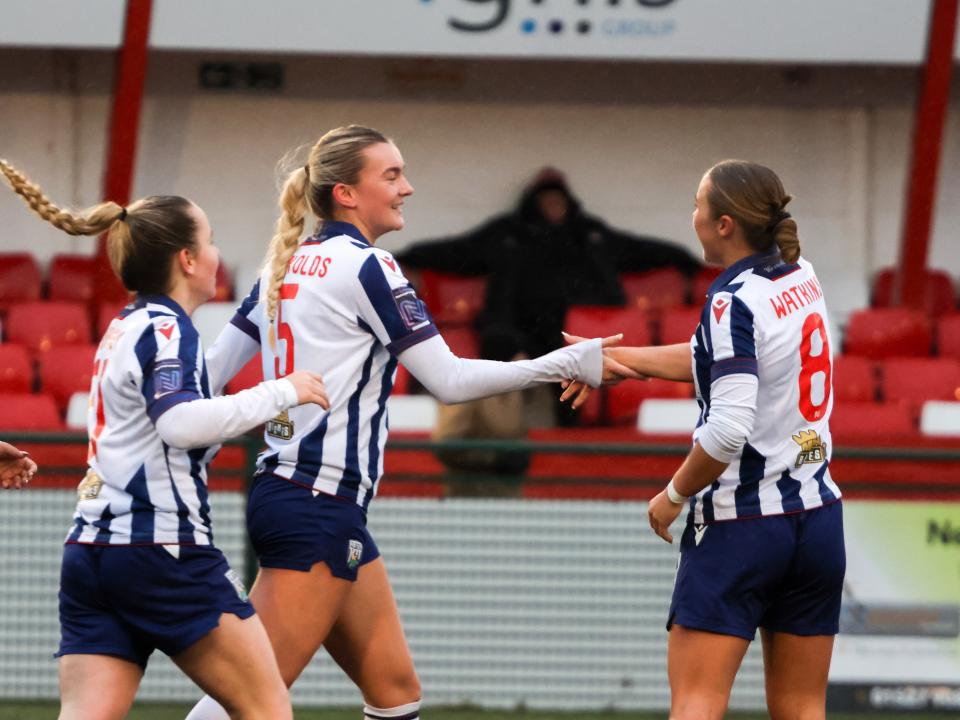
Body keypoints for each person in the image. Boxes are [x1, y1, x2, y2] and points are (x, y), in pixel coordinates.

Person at [188, 125, 633, 720]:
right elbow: (448, 381)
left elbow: (208, 375)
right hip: (317, 502)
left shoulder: (282, 265)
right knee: (249, 700)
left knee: (396, 694)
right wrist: (564, 363)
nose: (408, 188)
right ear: (346, 193)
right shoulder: (370, 268)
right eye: (392, 176)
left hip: (305, 499)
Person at [0, 159, 332, 720]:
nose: (216, 253)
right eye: (211, 240)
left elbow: (184, 411)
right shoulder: (167, 329)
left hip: (90, 555)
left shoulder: (127, 325)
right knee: (267, 710)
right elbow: (180, 424)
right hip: (162, 554)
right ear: (187, 259)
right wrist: (283, 391)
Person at [562, 160, 844, 720]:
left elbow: (728, 429)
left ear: (723, 225)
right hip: (817, 520)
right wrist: (616, 359)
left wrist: (672, 495)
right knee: (803, 708)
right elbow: (722, 362)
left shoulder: (730, 299)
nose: (690, 214)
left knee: (697, 703)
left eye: (697, 204)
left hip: (742, 526)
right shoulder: (799, 274)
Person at [397, 166, 702, 361]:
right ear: (533, 203)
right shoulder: (507, 234)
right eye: (546, 200)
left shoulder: (589, 235)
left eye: (558, 200)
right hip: (516, 325)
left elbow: (638, 250)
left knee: (591, 354)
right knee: (498, 342)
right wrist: (408, 257)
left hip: (574, 328)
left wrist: (683, 259)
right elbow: (457, 252)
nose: (553, 206)